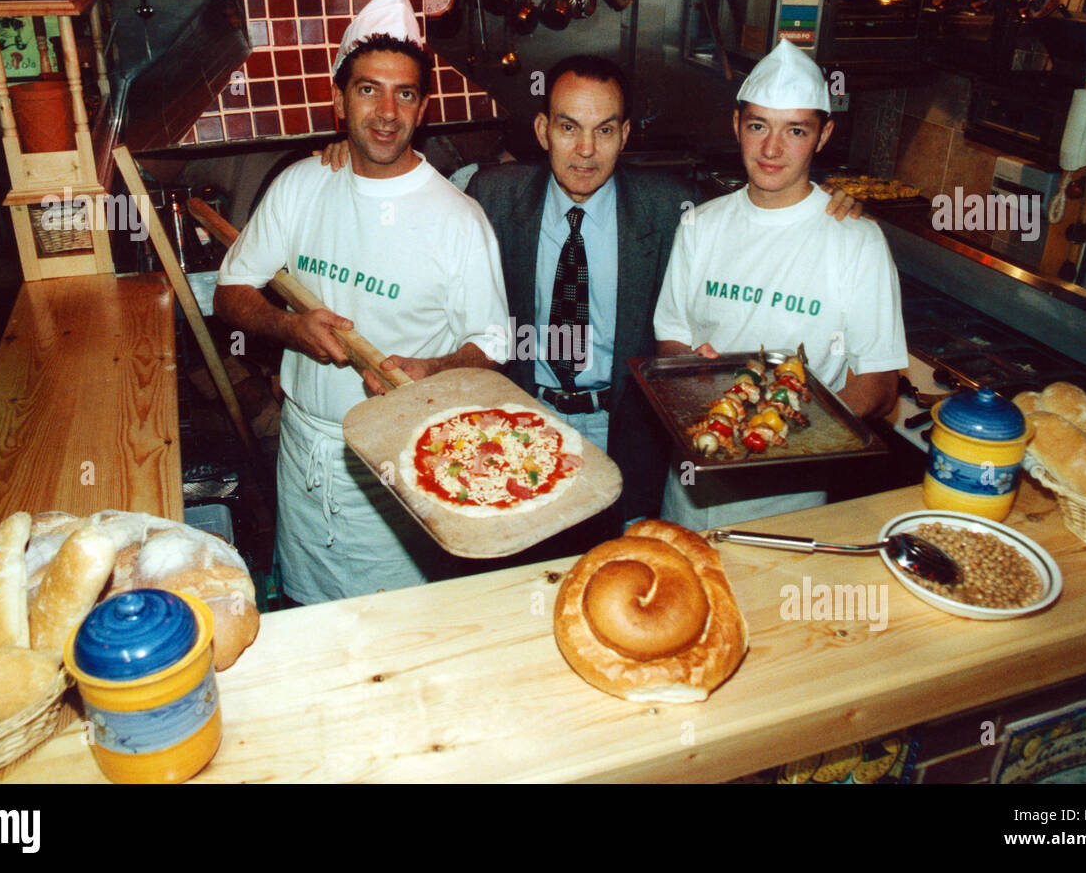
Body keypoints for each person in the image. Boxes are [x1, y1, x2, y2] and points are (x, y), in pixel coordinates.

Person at [320, 54, 861, 526]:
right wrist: (351, 156)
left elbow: (755, 217)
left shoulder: (673, 209)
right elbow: (413, 192)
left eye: (604, 130)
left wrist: (823, 203)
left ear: (625, 135)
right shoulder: (492, 194)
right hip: (521, 416)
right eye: (567, 127)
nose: (585, 150)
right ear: (541, 130)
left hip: (625, 430)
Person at [214, 0, 510, 604]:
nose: (385, 112)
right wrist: (290, 329)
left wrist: (433, 368)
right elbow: (232, 292)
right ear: (338, 101)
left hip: (402, 460)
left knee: (402, 628)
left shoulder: (458, 219)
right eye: (368, 89)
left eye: (404, 94)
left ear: (422, 109)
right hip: (304, 454)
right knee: (308, 616)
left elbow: (493, 345)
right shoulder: (300, 186)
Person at [654, 38, 909, 529]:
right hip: (693, 485)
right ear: (736, 126)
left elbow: (879, 387)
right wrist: (689, 371)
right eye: (757, 126)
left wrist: (786, 425)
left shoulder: (856, 240)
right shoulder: (699, 225)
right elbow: (670, 338)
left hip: (794, 500)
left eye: (795, 130)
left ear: (824, 134)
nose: (771, 149)